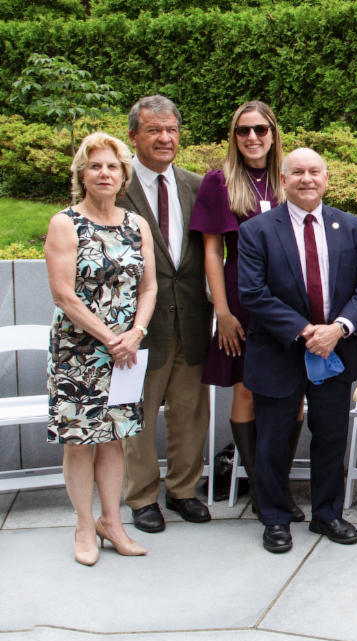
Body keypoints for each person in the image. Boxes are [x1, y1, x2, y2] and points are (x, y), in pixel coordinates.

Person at [237, 148, 357, 553]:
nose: (306, 179)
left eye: (314, 171)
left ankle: (327, 514)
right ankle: (275, 518)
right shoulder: (257, 230)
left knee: (331, 437)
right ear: (283, 180)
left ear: (326, 178)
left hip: (336, 350)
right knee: (273, 440)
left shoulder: (350, 226)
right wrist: (304, 330)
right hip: (278, 350)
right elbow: (252, 292)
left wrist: (339, 328)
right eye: (297, 172)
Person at [46, 132, 157, 564]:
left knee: (114, 438)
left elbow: (149, 287)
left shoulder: (136, 224)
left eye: (112, 166)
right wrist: (110, 338)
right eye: (95, 166)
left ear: (124, 175)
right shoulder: (66, 223)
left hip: (126, 352)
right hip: (78, 352)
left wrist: (136, 333)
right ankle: (83, 525)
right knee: (79, 441)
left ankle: (112, 522)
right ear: (82, 174)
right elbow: (63, 295)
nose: (104, 173)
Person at [192, 100, 306, 521]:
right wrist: (221, 312)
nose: (252, 137)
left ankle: (279, 485)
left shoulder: (288, 177)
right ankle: (260, 489)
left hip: (290, 301)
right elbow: (212, 251)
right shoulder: (219, 181)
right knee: (247, 390)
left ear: (273, 134)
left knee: (293, 395)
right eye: (244, 130)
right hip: (241, 300)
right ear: (234, 136)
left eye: (260, 129)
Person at [117, 95, 213, 533]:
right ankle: (141, 498)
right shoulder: (117, 187)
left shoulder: (197, 185)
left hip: (192, 317)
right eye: (153, 130)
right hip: (138, 325)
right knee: (137, 411)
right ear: (133, 135)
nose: (164, 138)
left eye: (171, 130)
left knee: (190, 411)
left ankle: (182, 491)